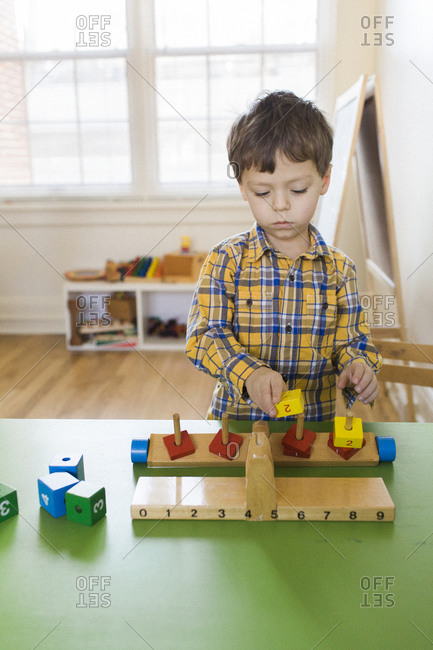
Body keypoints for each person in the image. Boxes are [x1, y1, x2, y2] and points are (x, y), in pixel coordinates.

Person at [185, 90, 381, 420]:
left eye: (297, 189)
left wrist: (358, 365)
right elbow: (205, 337)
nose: (280, 204)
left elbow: (352, 341)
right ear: (243, 188)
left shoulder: (340, 270)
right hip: (238, 430)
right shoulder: (225, 261)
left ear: (324, 180)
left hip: (313, 431)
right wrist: (250, 373)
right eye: (263, 191)